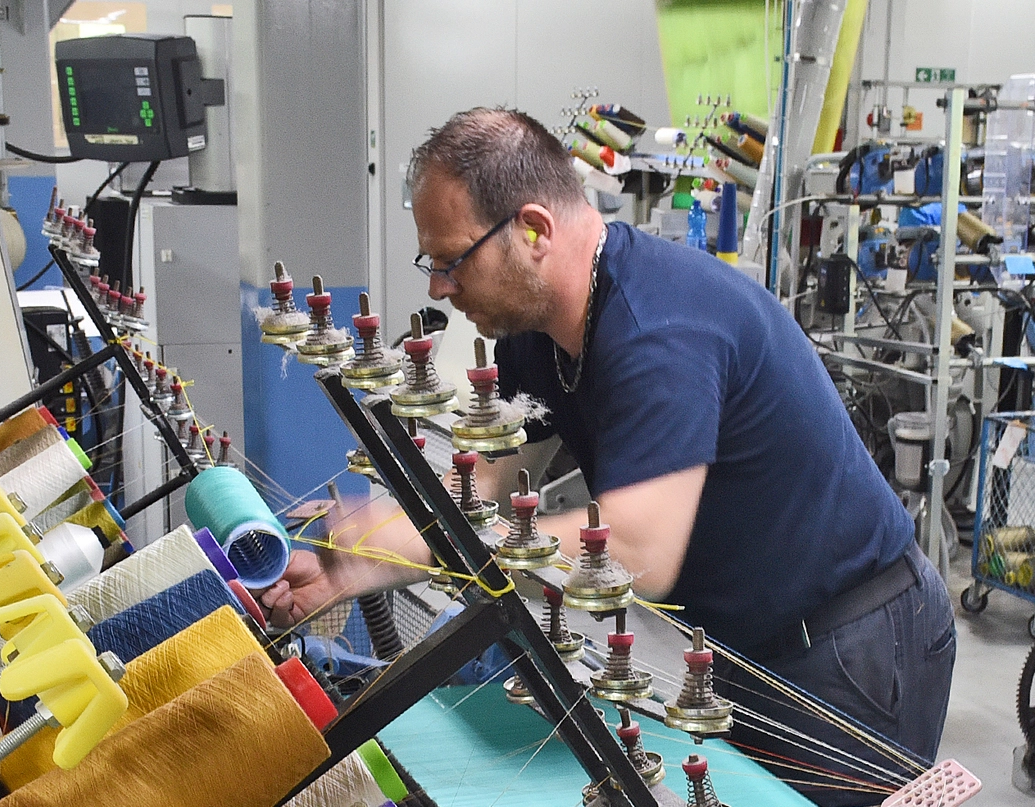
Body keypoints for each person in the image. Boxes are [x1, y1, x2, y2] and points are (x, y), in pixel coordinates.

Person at [259, 108, 956, 807]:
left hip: (851, 642)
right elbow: (481, 485)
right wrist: (364, 555)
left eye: (451, 259)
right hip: (740, 645)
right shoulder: (530, 336)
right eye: (431, 263)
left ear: (532, 229)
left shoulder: (659, 327)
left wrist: (421, 541)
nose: (439, 287)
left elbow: (634, 550)